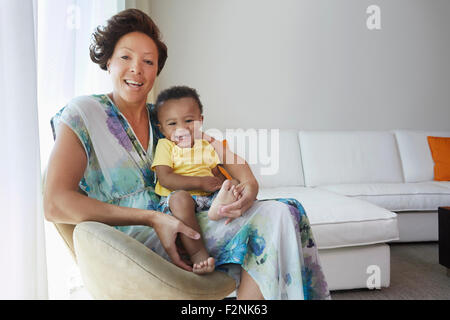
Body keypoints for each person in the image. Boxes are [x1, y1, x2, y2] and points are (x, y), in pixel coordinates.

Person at [44, 8, 330, 300]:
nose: (136, 69)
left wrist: (250, 182)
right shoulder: (84, 112)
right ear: (108, 61)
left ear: (157, 70)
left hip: (186, 227)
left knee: (282, 212)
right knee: (271, 220)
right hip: (130, 247)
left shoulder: (164, 119)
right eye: (125, 57)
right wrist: (152, 219)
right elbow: (54, 203)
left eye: (148, 61)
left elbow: (218, 151)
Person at [151, 85, 241, 274]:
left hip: (208, 198)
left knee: (231, 183)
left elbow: (216, 173)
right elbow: (165, 178)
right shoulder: (166, 146)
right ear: (162, 129)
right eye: (172, 124)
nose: (181, 129)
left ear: (200, 121)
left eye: (189, 120)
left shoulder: (206, 145)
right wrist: (199, 183)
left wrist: (222, 185)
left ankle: (219, 208)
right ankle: (198, 253)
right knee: (180, 199)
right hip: (178, 200)